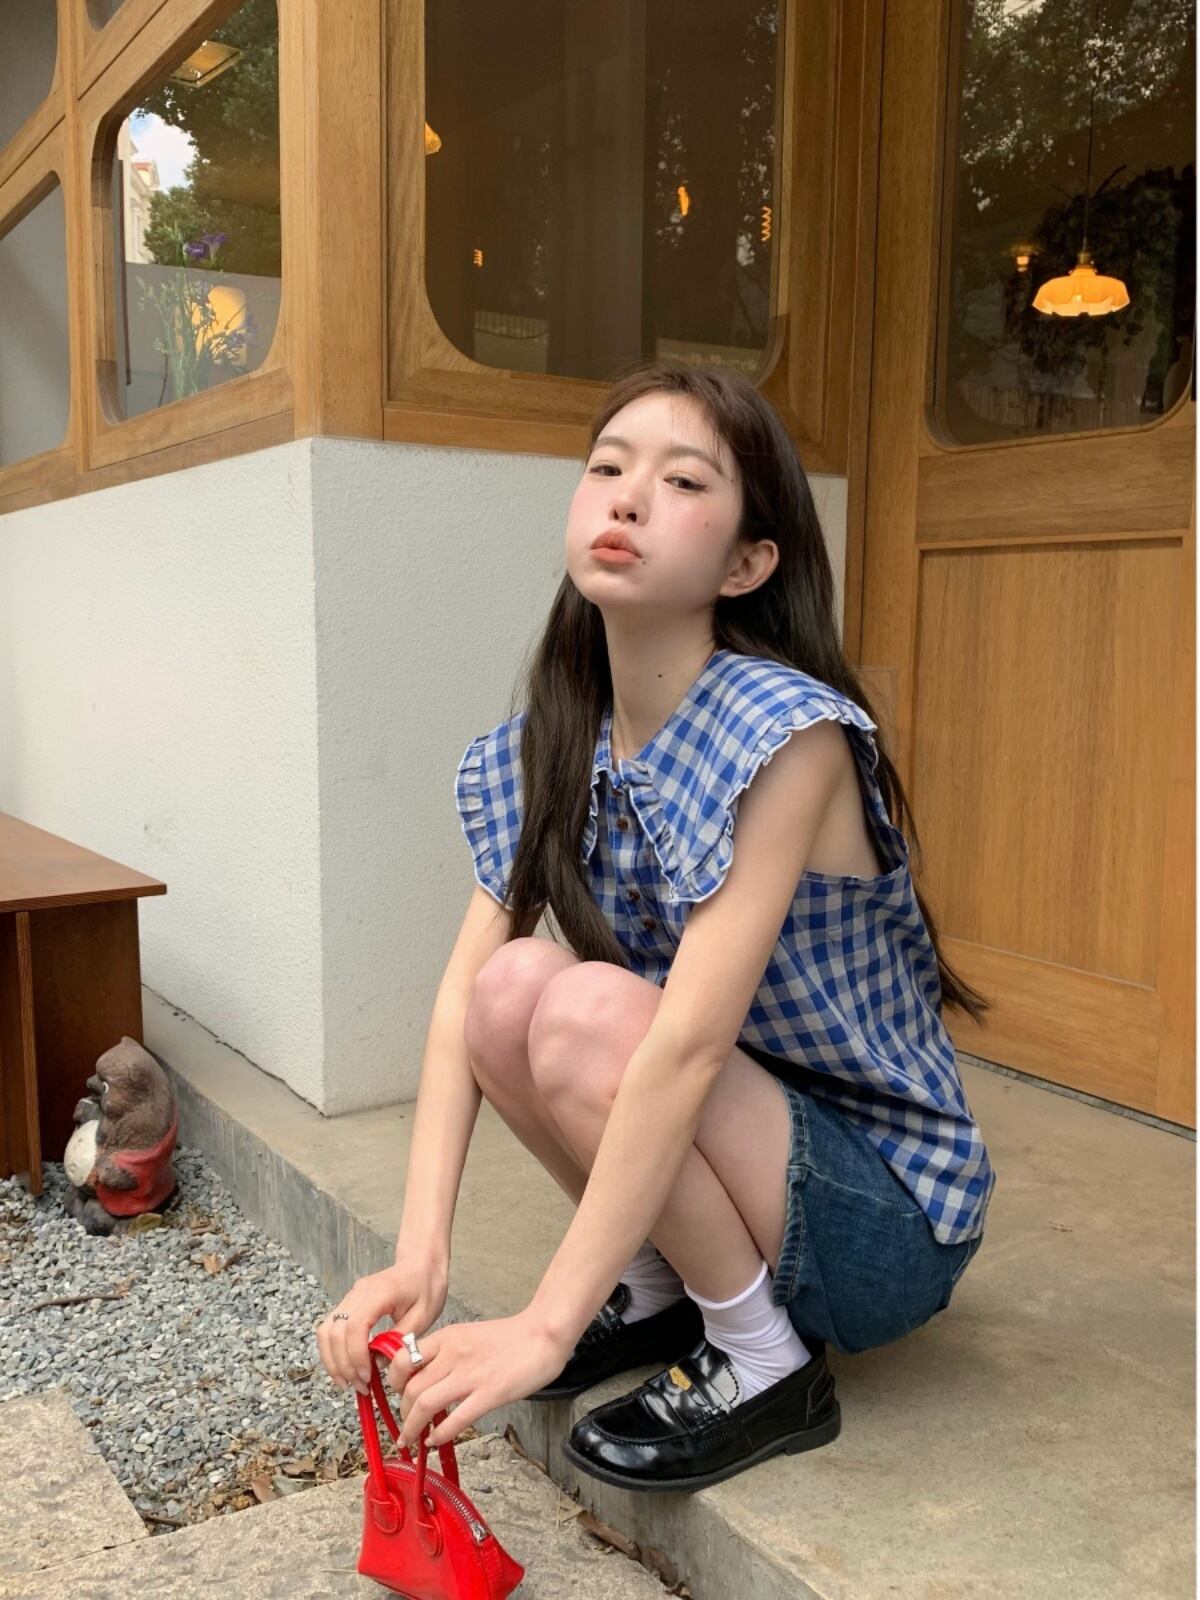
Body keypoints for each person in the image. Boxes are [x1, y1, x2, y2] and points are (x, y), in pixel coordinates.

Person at [315, 355, 996, 1493]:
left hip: (879, 1221)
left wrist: (544, 1325)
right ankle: (657, 1290)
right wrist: (418, 1256)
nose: (628, 499)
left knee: (589, 1010)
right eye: (607, 468)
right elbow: (459, 1007)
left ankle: (765, 1358)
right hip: (745, 1155)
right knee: (509, 992)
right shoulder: (559, 736)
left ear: (747, 563)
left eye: (683, 482)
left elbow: (682, 1046)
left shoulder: (786, 733)